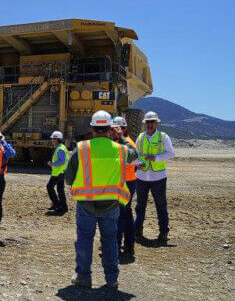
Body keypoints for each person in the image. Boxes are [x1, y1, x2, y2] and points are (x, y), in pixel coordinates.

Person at [65, 110, 138, 289]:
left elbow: (68, 179)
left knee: (84, 240)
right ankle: (111, 279)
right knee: (110, 241)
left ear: (91, 128)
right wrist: (120, 138)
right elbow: (135, 155)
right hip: (111, 204)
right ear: (109, 129)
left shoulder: (81, 149)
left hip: (86, 204)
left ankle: (83, 277)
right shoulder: (121, 150)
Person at [134, 111, 175, 244]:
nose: (150, 124)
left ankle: (163, 233)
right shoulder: (140, 137)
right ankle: (137, 232)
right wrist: (137, 163)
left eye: (152, 122)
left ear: (156, 123)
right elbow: (135, 154)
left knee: (161, 206)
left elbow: (171, 153)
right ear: (145, 123)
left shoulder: (163, 137)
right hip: (142, 177)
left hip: (158, 177)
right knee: (140, 206)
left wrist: (156, 158)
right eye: (148, 122)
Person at [112, 116, 138, 259]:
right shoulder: (121, 143)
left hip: (126, 183)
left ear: (124, 129)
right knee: (126, 214)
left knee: (120, 215)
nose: (115, 132)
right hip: (126, 182)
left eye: (118, 129)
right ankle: (129, 244)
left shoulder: (126, 143)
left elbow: (132, 160)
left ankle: (116, 245)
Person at [45, 131, 69, 215]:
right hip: (60, 172)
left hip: (58, 173)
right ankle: (63, 207)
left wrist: (52, 164)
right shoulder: (61, 147)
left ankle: (57, 205)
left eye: (53, 138)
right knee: (60, 190)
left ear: (57, 139)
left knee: (49, 187)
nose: (52, 140)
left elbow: (61, 161)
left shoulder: (60, 148)